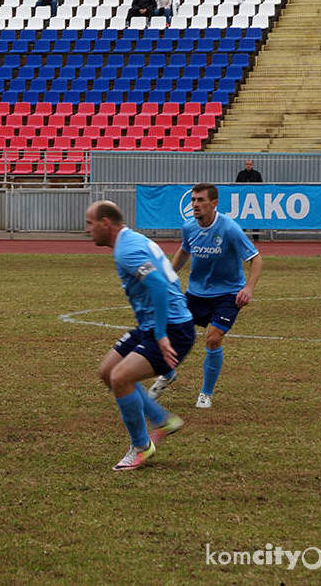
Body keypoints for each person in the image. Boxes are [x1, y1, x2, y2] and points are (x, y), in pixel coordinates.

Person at [84, 200, 193, 471]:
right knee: (107, 371)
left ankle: (141, 447)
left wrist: (160, 333)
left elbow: (157, 285)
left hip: (171, 329)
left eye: (90, 223)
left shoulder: (127, 250)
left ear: (105, 223)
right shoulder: (131, 240)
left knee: (120, 378)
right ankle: (162, 420)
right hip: (154, 325)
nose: (87, 229)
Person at [149, 183, 263, 411]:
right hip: (196, 293)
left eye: (201, 200)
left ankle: (206, 393)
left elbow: (256, 258)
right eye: (193, 200)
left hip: (228, 294)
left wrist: (248, 288)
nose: (195, 204)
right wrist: (168, 276)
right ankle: (168, 375)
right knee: (167, 332)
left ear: (214, 203)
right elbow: (184, 250)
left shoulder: (229, 229)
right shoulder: (189, 227)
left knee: (213, 338)